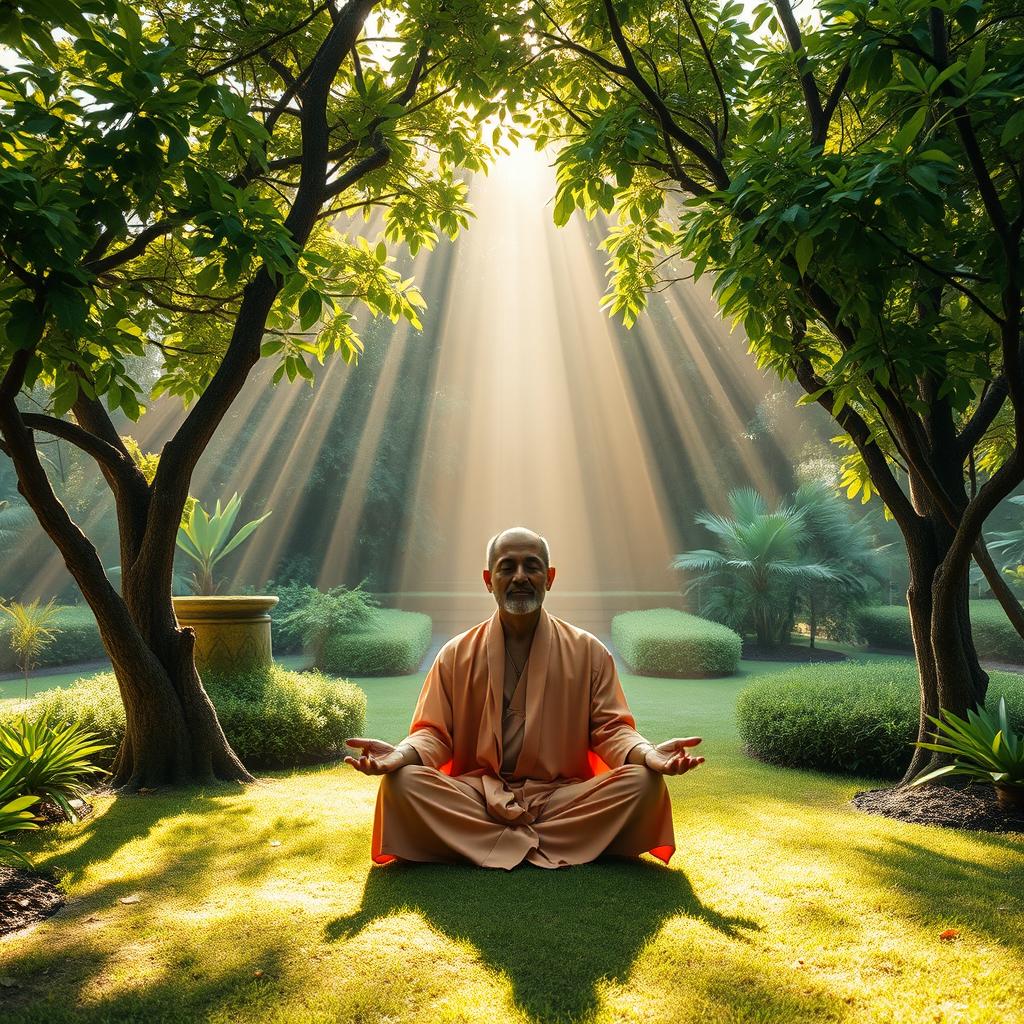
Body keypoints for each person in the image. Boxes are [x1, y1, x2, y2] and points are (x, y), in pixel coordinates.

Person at [345, 527, 704, 869]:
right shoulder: (455, 655)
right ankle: (558, 842)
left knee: (643, 784)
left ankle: (485, 842)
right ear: (489, 581)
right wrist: (400, 754)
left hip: (561, 797)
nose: (520, 576)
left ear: (549, 577)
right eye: (507, 567)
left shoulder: (589, 653)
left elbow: (611, 730)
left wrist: (648, 754)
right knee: (402, 784)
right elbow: (435, 734)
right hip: (479, 796)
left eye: (531, 566)